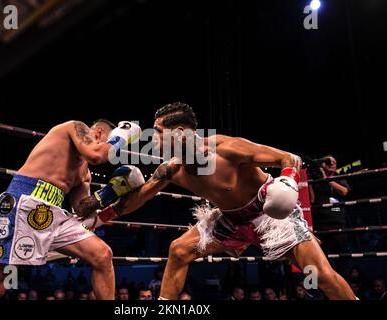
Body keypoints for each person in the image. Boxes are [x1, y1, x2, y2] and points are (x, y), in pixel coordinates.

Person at [101, 102, 357, 300]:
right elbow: (140, 197)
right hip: (230, 219)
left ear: (179, 133)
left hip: (269, 212)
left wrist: (288, 181)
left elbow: (289, 158)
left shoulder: (227, 149)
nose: (153, 139)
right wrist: (103, 216)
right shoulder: (171, 170)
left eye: (158, 132)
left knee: (321, 276)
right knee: (179, 251)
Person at [0, 119, 143, 300]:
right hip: (22, 203)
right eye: (110, 141)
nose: (111, 149)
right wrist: (124, 132)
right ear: (99, 133)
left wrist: (110, 193)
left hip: (53, 214)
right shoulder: (75, 127)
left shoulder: (84, 172)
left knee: (103, 255)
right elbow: (98, 155)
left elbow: (81, 208)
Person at [309, 155, 351, 277]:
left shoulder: (339, 178)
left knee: (343, 258)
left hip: (339, 223)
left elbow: (344, 192)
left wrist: (326, 179)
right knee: (319, 258)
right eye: (328, 162)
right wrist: (311, 181)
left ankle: (343, 288)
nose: (332, 163)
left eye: (334, 162)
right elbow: (311, 200)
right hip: (321, 224)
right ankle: (315, 289)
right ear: (321, 164)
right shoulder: (315, 180)